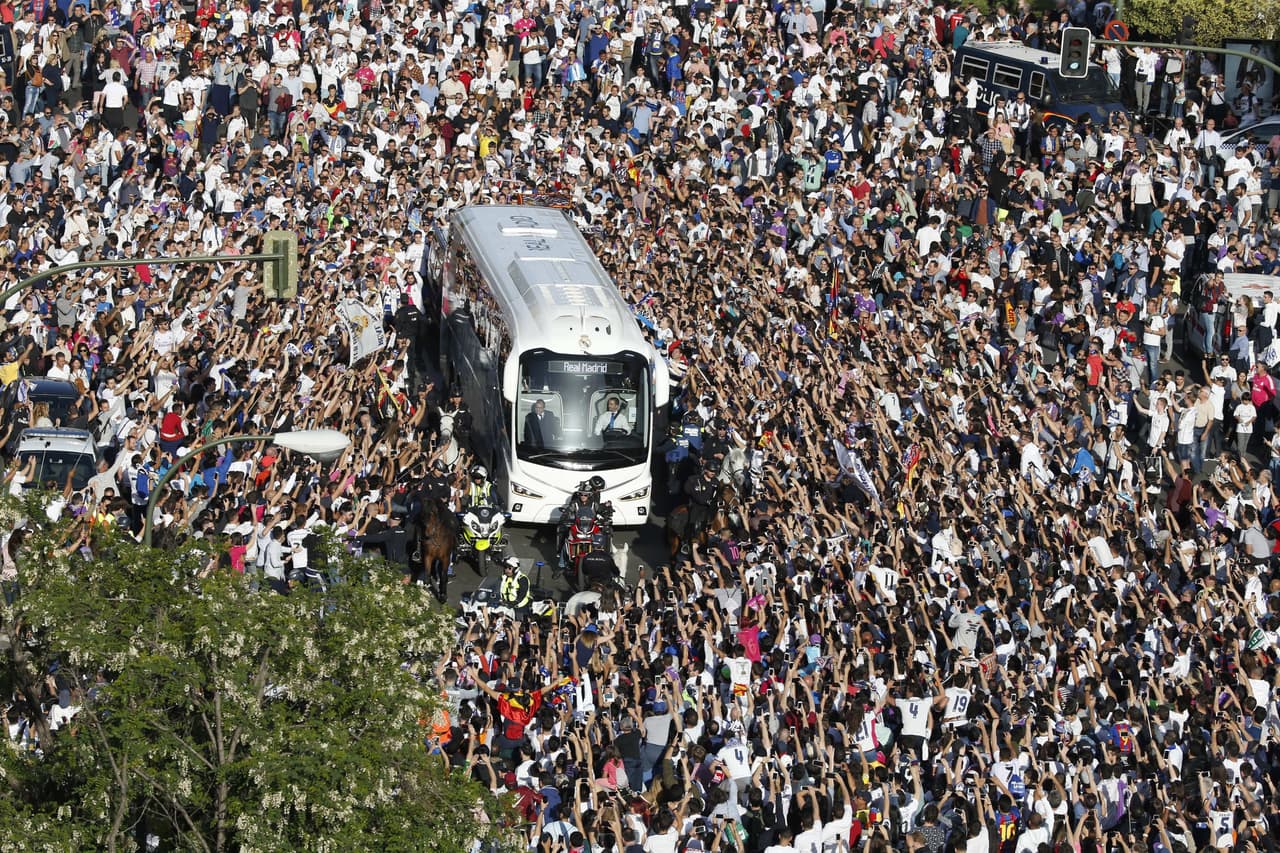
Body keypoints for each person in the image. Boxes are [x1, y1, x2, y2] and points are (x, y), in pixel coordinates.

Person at [498, 555, 532, 621]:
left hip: (519, 607)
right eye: (505, 567)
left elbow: (523, 593)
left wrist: (514, 602)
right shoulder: (504, 577)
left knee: (520, 624)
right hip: (506, 605)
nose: (506, 570)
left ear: (516, 569)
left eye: (509, 568)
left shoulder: (522, 579)